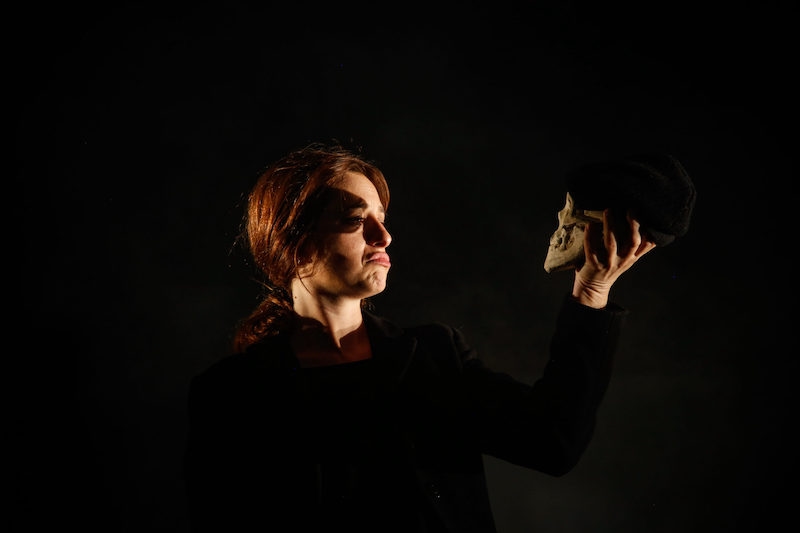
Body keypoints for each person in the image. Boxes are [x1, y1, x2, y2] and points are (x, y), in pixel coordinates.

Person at [183, 142, 684, 532]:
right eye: (356, 220)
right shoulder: (232, 394)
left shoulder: (433, 355)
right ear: (292, 242)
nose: (383, 237)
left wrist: (591, 291)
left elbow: (552, 443)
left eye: (382, 219)